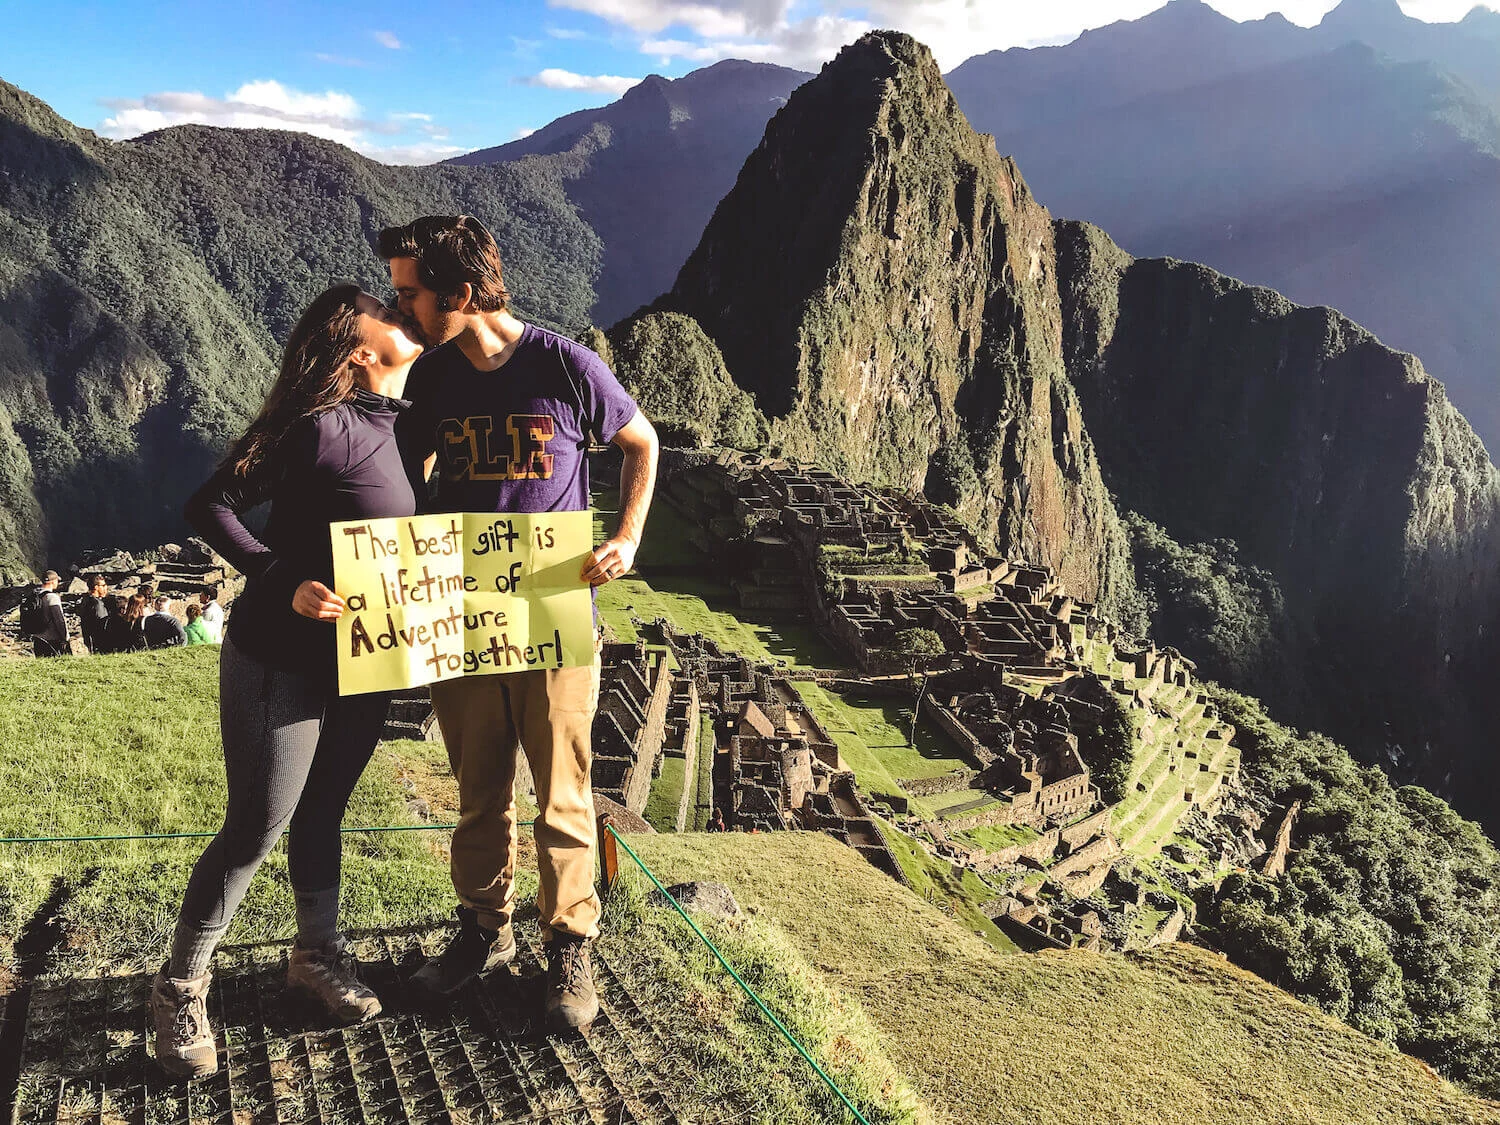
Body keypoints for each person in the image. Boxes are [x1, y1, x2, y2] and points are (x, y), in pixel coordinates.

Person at [381, 215, 659, 1032]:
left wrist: (627, 536)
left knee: (563, 793)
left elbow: (642, 441)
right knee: (478, 788)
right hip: (463, 608)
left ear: (461, 294)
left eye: (413, 295)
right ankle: (483, 929)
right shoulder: (430, 379)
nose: (405, 313)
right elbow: (399, 468)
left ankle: (569, 944)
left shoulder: (566, 366)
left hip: (552, 610)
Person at [149, 285, 424, 1080]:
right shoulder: (320, 430)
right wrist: (281, 576)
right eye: (388, 313)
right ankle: (181, 985)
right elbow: (212, 503)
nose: (403, 314)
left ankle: (315, 952)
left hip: (366, 660)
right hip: (283, 659)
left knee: (325, 808)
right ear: (357, 352)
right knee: (256, 827)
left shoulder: (408, 425)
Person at [22, 570, 70, 657]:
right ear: (53, 581)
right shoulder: (52, 597)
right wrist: (64, 638)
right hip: (53, 640)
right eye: (57, 580)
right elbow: (59, 619)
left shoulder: (34, 596)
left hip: (38, 639)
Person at [78, 574, 114, 654]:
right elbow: (102, 624)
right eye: (103, 585)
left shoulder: (86, 600)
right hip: (99, 644)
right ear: (96, 587)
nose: (106, 588)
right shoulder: (97, 604)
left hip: (90, 642)